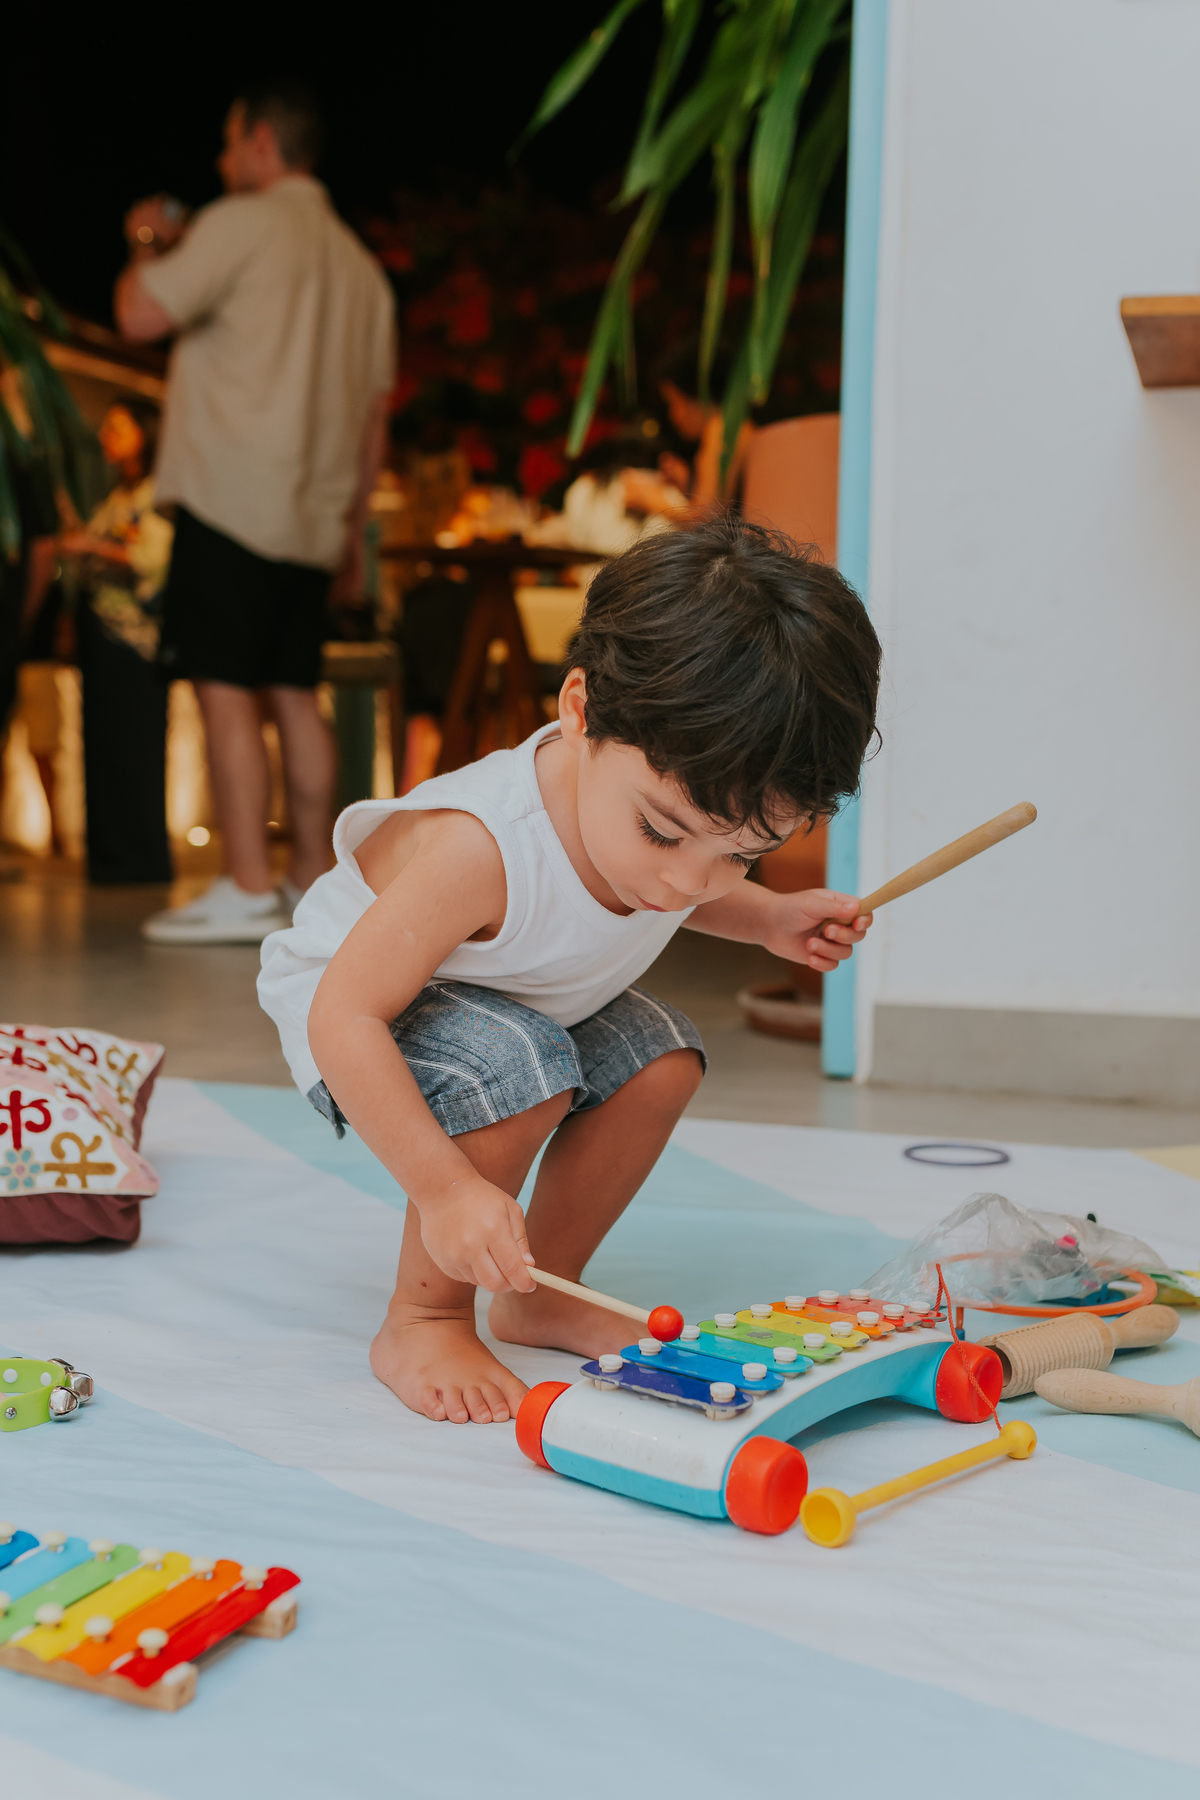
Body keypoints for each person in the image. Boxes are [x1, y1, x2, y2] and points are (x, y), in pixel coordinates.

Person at [258, 515, 882, 1426]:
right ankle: (423, 1313)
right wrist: (449, 1191)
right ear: (579, 709)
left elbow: (682, 882)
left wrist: (770, 919)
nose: (685, 882)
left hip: (519, 998)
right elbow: (343, 1016)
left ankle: (540, 1287)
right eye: (662, 833)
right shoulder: (479, 849)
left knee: (660, 1056)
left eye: (741, 855)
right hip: (356, 1009)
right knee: (521, 1068)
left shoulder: (668, 843)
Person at [114, 77, 396, 942]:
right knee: (291, 691)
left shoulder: (235, 226)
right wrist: (351, 534)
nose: (222, 159)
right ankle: (314, 883)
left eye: (230, 143)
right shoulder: (362, 269)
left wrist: (147, 239)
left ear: (264, 145)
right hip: (312, 519)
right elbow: (374, 419)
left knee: (227, 693)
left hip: (231, 500)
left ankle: (244, 883)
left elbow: (136, 313)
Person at [62, 397, 174, 881]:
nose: (105, 434)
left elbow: (152, 560)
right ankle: (110, 860)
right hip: (102, 636)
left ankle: (141, 860)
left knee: (135, 749)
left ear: (144, 433)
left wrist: (88, 547)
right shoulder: (115, 496)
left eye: (117, 426)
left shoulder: (155, 493)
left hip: (136, 642)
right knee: (104, 748)